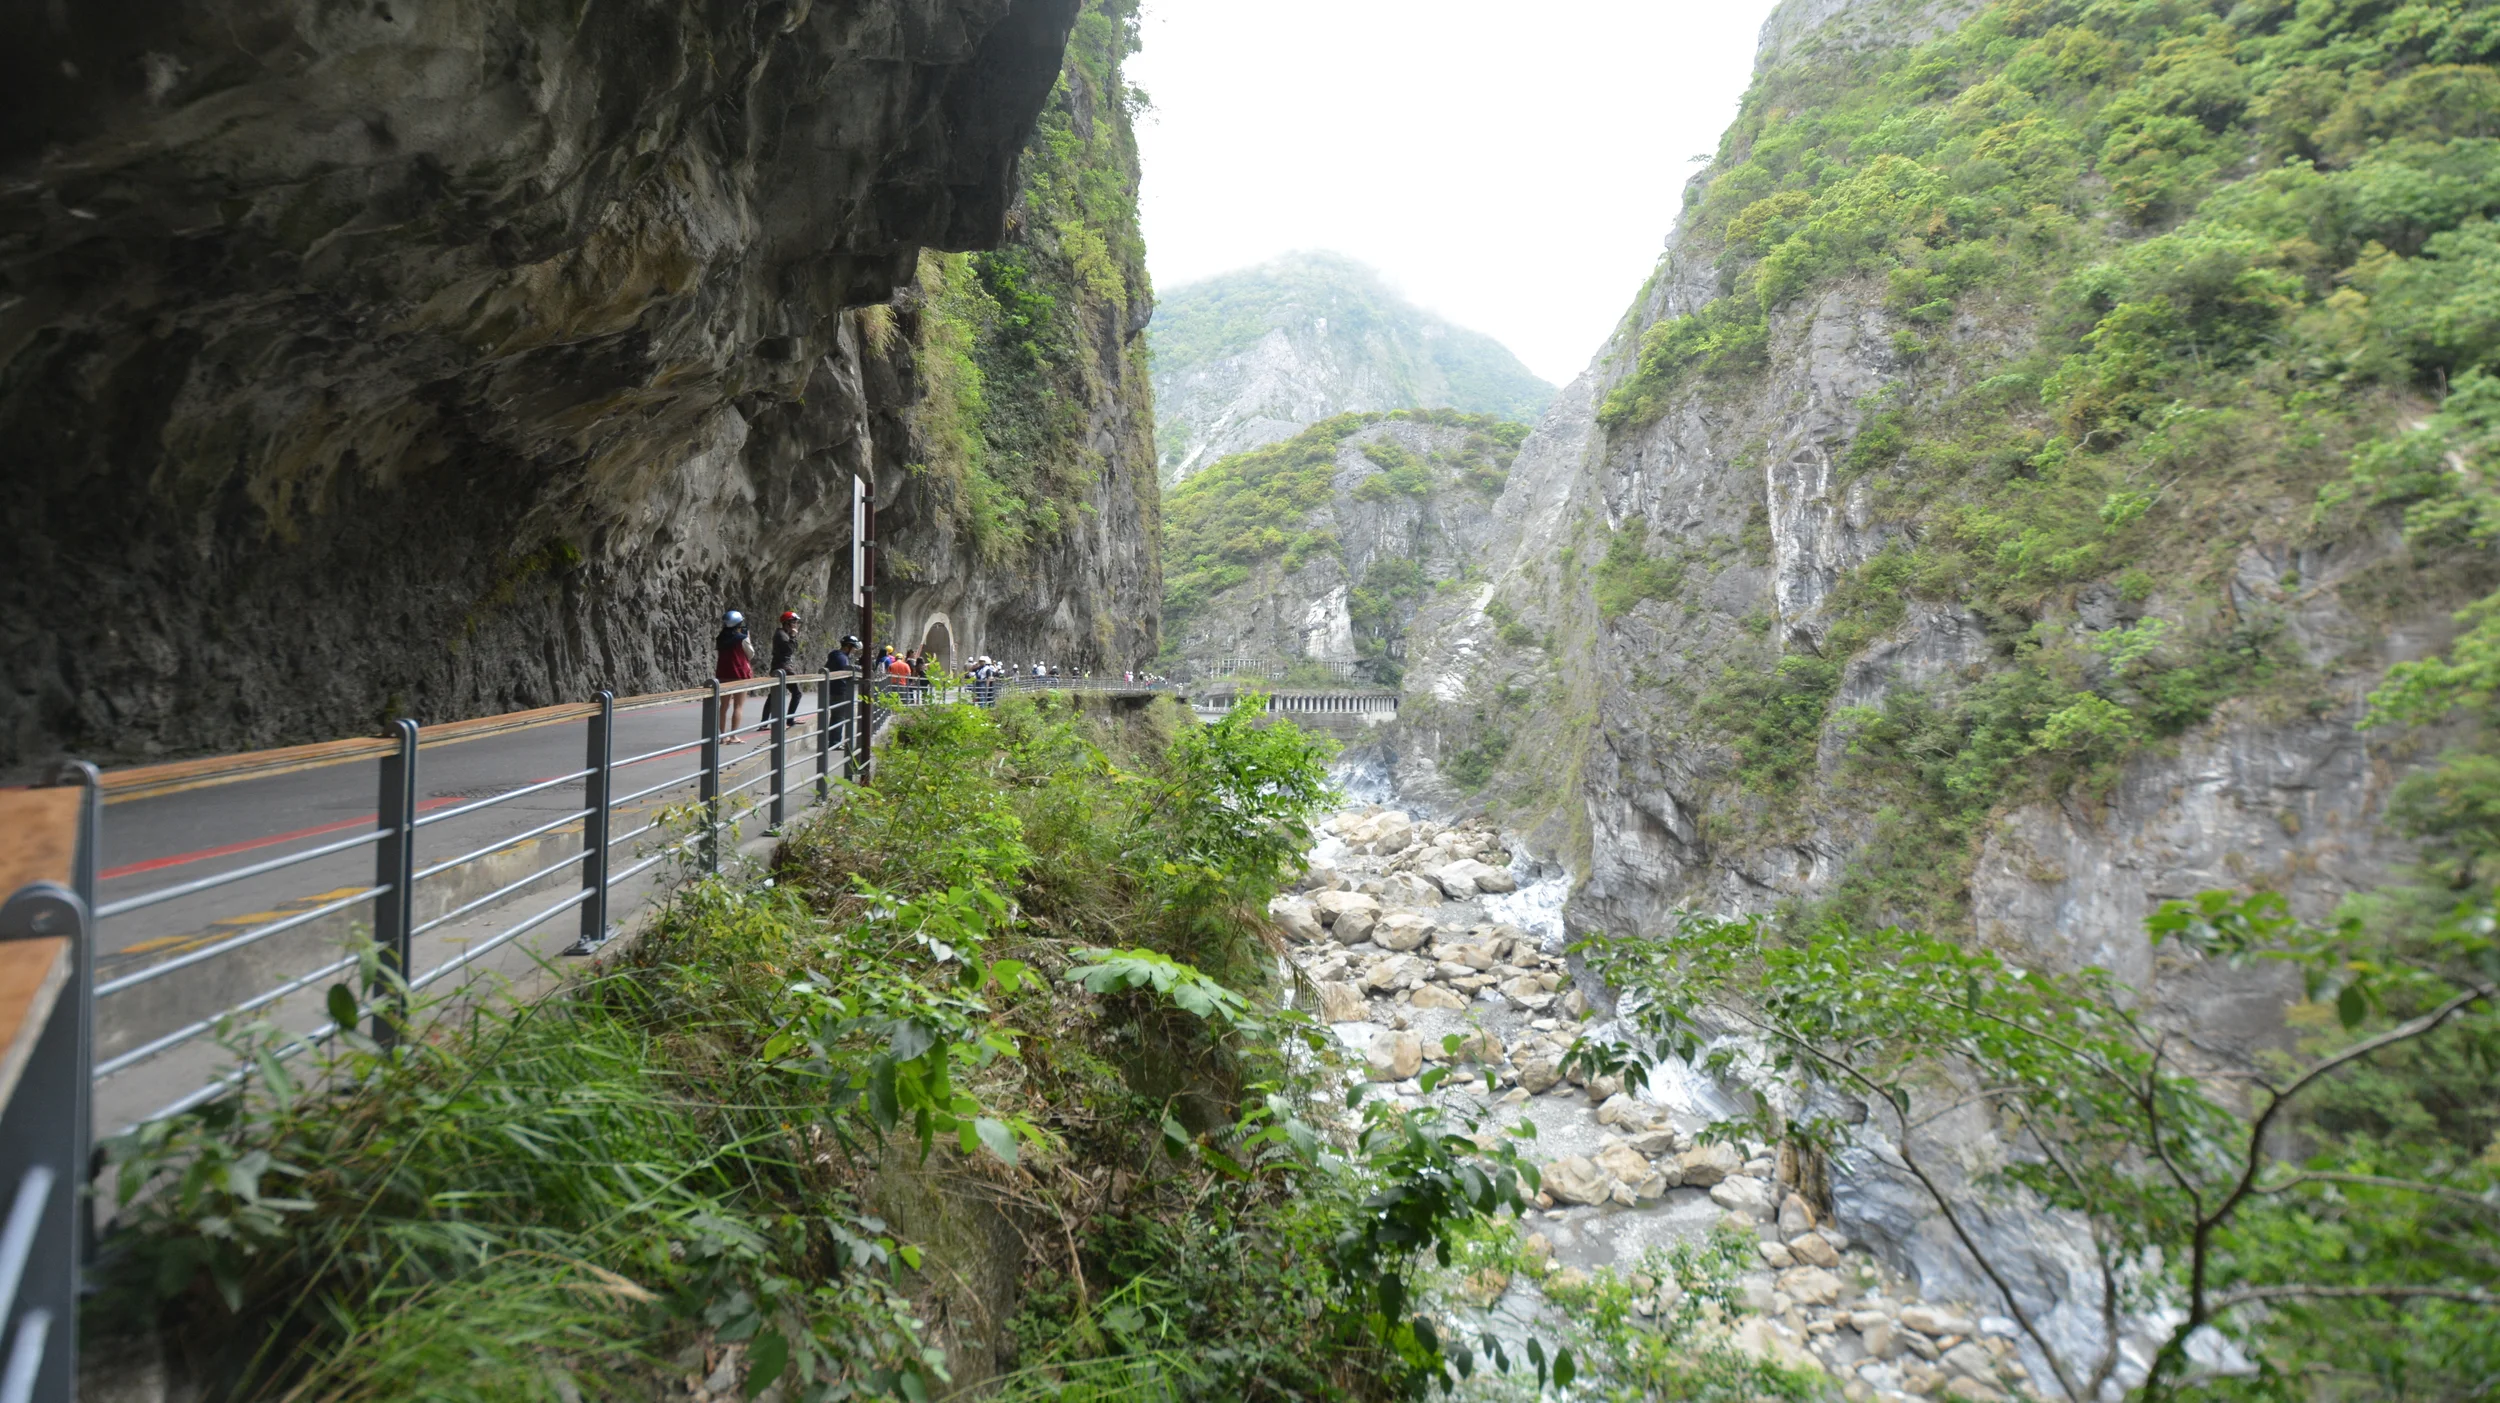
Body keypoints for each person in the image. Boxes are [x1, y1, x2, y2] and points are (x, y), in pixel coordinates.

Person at [715, 610, 755, 742]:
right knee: (738, 706)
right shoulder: (742, 638)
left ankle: (722, 736)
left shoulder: (720, 638)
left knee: (723, 706)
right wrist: (748, 638)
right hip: (739, 674)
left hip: (723, 674)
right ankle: (733, 736)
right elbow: (750, 654)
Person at [763, 611, 803, 725]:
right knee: (796, 693)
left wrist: (793, 636)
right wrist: (793, 636)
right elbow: (789, 650)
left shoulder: (783, 634)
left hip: (781, 667)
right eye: (794, 622)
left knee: (774, 695)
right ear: (787, 623)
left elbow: (793, 647)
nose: (796, 625)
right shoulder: (781, 635)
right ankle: (789, 720)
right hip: (783, 668)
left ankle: (764, 722)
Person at [825, 634, 861, 746]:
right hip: (840, 690)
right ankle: (835, 742)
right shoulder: (842, 658)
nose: (854, 650)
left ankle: (833, 741)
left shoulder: (835, 655)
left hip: (833, 689)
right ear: (848, 646)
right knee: (839, 717)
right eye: (853, 648)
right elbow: (846, 669)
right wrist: (858, 669)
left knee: (836, 716)